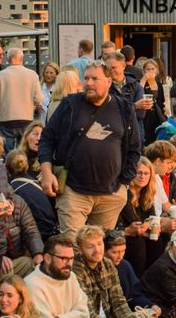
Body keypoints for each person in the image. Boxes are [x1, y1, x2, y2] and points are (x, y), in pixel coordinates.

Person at [39, 60, 140, 238]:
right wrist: (47, 173)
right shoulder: (70, 104)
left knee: (97, 248)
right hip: (73, 192)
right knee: (72, 246)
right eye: (86, 78)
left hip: (110, 195)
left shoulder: (124, 108)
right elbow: (47, 139)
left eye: (94, 79)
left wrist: (123, 184)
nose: (89, 83)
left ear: (108, 81)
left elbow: (134, 149)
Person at [0, 48, 42, 151]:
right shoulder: (32, 74)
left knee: (7, 152)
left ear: (8, 59)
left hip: (6, 119)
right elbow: (39, 98)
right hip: (26, 118)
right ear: (21, 58)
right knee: (25, 150)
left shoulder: (0, 75)